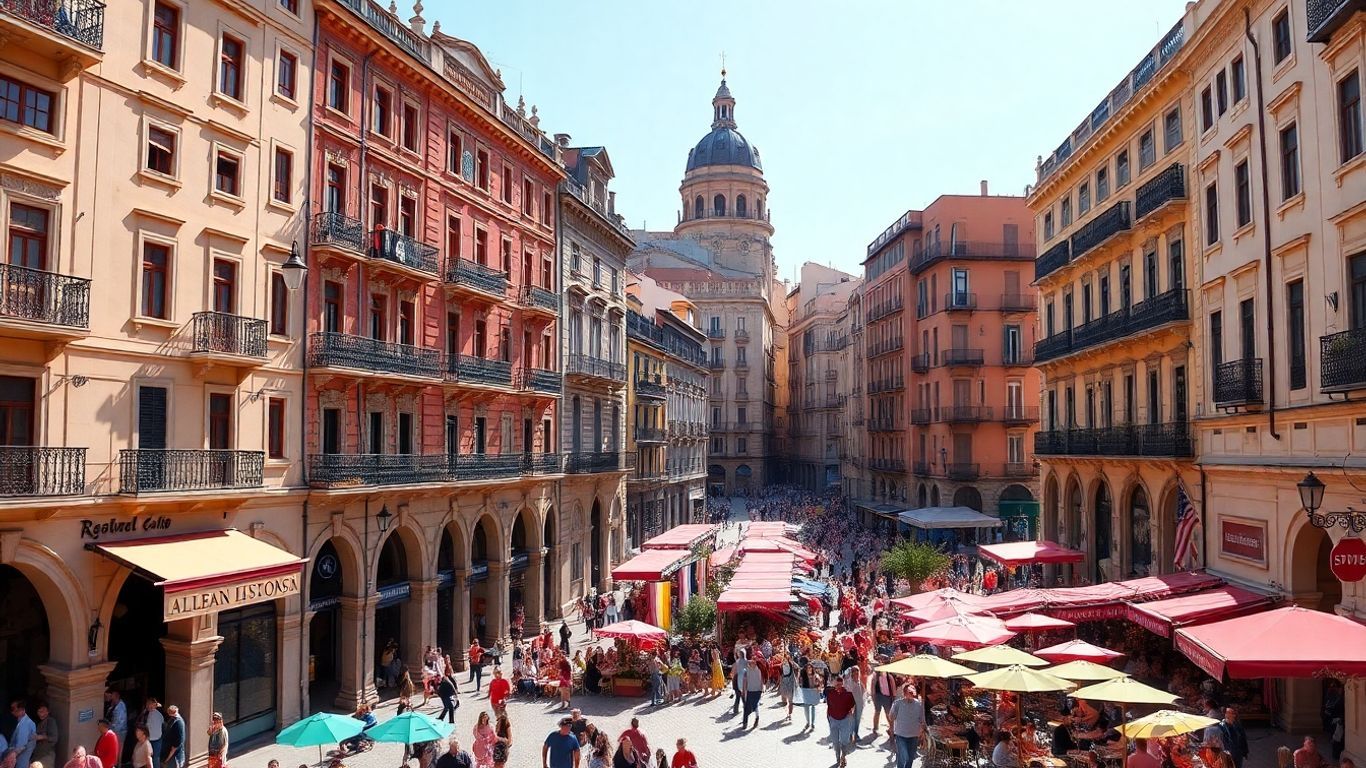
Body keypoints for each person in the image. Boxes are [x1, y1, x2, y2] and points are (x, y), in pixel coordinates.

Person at [889, 683, 926, 768]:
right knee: (904, 756)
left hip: (914, 735)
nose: (911, 693)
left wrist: (923, 731)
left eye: (912, 691)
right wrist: (894, 709)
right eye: (909, 692)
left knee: (910, 759)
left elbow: (922, 720)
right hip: (901, 735)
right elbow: (891, 717)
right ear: (904, 693)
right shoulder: (898, 703)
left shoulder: (919, 704)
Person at [825, 675, 856, 768]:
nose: (838, 685)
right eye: (837, 683)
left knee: (844, 740)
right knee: (835, 741)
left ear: (843, 684)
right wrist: (829, 718)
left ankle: (843, 757)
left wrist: (852, 711)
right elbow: (828, 705)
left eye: (840, 683)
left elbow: (853, 705)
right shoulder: (829, 693)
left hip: (845, 720)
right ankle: (838, 758)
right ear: (834, 683)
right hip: (833, 720)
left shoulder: (848, 694)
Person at [870, 663, 896, 740]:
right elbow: (873, 687)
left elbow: (892, 686)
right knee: (877, 712)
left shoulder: (889, 676)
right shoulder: (875, 676)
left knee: (888, 713)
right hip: (878, 696)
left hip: (887, 697)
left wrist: (893, 696)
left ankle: (892, 729)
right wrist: (873, 697)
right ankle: (875, 728)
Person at [739, 650, 764, 730]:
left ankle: (757, 717)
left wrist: (762, 688)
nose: (752, 663)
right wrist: (743, 690)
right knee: (746, 708)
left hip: (757, 691)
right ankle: (745, 723)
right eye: (751, 662)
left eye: (753, 662)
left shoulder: (759, 670)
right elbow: (745, 681)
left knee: (755, 706)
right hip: (749, 691)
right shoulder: (747, 670)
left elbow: (762, 680)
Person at [795, 657, 821, 732]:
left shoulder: (815, 676)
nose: (809, 669)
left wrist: (818, 688)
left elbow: (820, 684)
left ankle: (812, 723)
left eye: (810, 668)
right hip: (806, 693)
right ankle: (807, 722)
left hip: (813, 693)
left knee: (813, 707)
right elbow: (799, 683)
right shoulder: (803, 677)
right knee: (806, 708)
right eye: (808, 668)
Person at [9, 700, 37, 768]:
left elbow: (21, 745)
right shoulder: (23, 722)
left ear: (22, 709)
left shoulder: (25, 723)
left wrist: (12, 755)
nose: (12, 712)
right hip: (22, 758)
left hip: (22, 759)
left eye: (14, 709)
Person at [140, 699, 163, 767]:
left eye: (149, 704)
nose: (147, 706)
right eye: (147, 704)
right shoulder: (147, 714)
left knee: (155, 759)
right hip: (149, 739)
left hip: (156, 740)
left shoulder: (159, 714)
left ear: (154, 705)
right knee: (148, 758)